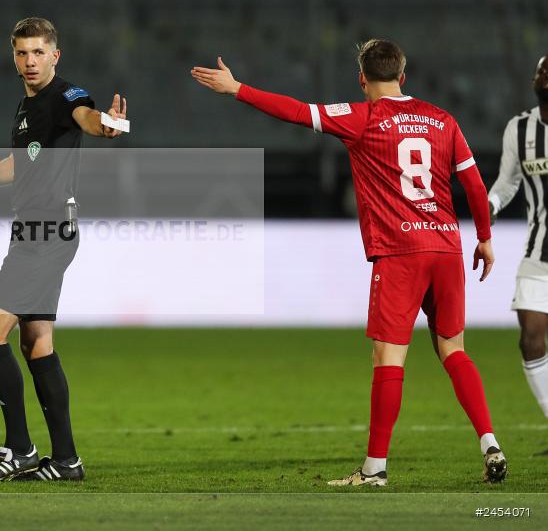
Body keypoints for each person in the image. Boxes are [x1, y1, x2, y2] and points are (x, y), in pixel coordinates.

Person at [191, 39, 507, 485]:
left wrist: (238, 88)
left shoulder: (363, 118)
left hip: (399, 255)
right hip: (446, 249)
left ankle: (375, 470)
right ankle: (489, 442)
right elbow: (475, 186)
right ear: (403, 75)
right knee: (453, 350)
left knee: (388, 358)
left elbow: (297, 111)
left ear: (362, 79)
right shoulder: (442, 119)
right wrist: (486, 239)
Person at [0, 17, 126, 482]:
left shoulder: (65, 96)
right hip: (33, 230)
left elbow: (85, 117)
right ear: (14, 57)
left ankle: (20, 449)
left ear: (55, 55)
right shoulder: (27, 109)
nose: (29, 62)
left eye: (38, 53)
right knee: (36, 342)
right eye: (22, 54)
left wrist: (105, 125)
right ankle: (66, 461)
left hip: (47, 233)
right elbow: (22, 163)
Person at [487, 54, 548, 448]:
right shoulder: (520, 129)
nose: (545, 77)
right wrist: (489, 206)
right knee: (531, 337)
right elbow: (507, 182)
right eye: (543, 71)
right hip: (539, 250)